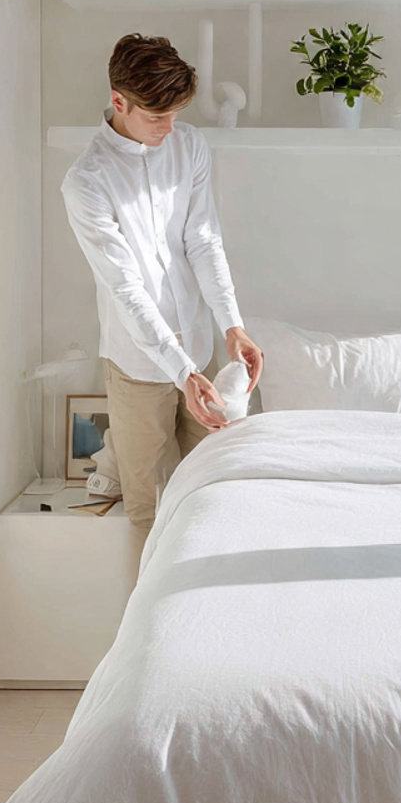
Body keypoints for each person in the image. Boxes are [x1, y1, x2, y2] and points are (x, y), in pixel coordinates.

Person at [62, 34, 263, 531]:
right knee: (151, 514)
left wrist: (232, 326)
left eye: (176, 115)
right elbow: (125, 287)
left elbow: (203, 241)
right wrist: (181, 374)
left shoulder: (188, 144)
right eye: (157, 118)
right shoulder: (87, 182)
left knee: (217, 494)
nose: (170, 129)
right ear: (118, 101)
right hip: (137, 365)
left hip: (199, 345)